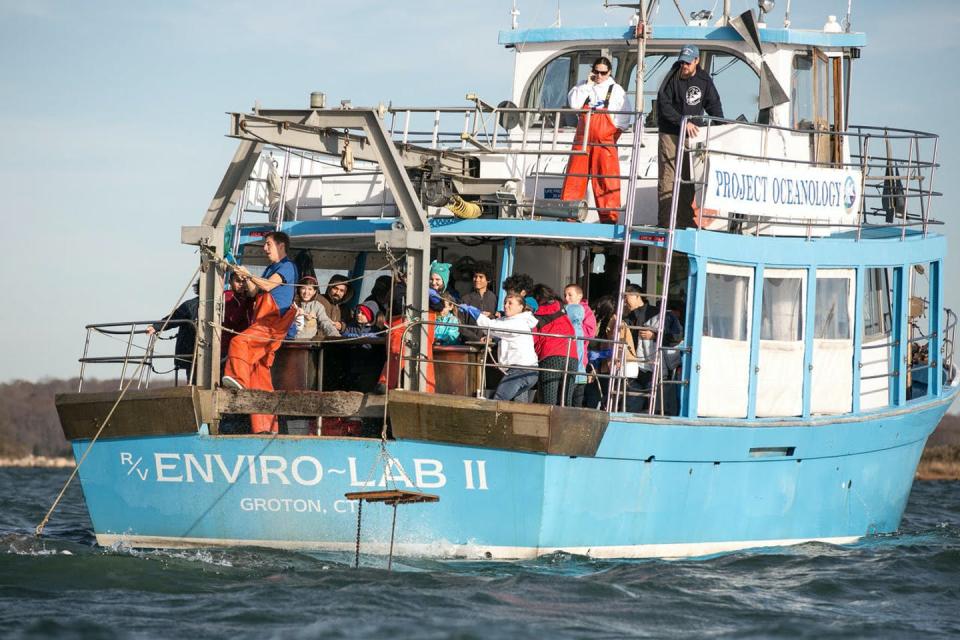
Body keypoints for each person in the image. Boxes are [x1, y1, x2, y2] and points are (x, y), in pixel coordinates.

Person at [221, 231, 299, 434]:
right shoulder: (270, 268)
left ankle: (237, 380)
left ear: (281, 246)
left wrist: (249, 275)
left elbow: (267, 285)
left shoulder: (287, 267)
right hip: (262, 321)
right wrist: (243, 276)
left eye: (268, 244)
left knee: (239, 343)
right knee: (259, 377)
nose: (264, 248)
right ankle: (266, 429)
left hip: (272, 323)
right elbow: (255, 291)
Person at [656, 45, 724, 228]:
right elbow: (664, 105)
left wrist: (724, 129)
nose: (684, 66)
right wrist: (683, 121)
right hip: (670, 133)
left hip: (692, 136)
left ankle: (685, 222)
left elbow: (714, 105)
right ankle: (666, 222)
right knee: (668, 178)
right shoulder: (672, 77)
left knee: (687, 178)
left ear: (696, 61)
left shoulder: (704, 80)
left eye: (687, 62)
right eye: (682, 62)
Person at [560, 56, 633, 224]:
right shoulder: (582, 86)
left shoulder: (616, 90)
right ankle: (569, 214)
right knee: (575, 177)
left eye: (603, 73)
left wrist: (611, 135)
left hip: (605, 141)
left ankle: (609, 218)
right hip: (582, 139)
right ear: (591, 71)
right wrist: (587, 85)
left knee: (606, 180)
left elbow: (624, 118)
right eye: (596, 72)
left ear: (609, 73)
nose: (599, 76)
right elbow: (574, 104)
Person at [462, 293, 539, 402]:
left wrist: (477, 315)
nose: (506, 306)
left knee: (498, 400)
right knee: (514, 402)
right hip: (527, 370)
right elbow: (493, 326)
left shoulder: (518, 322)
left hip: (521, 370)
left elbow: (493, 328)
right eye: (505, 303)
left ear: (520, 307)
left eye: (510, 303)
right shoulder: (511, 320)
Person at [622, 283, 683, 412]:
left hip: (655, 366)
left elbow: (676, 337)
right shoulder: (627, 318)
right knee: (632, 404)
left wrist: (655, 335)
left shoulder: (659, 314)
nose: (624, 302)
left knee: (655, 405)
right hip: (635, 367)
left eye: (626, 297)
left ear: (637, 296)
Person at [531, 284, 579, 406]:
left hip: (550, 357)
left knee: (549, 402)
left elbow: (534, 340)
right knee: (566, 402)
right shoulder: (562, 307)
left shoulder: (534, 316)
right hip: (571, 356)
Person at [145, 282, 199, 384]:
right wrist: (156, 327)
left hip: (220, 357)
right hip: (193, 356)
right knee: (193, 382)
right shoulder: (190, 306)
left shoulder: (225, 304)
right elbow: (173, 318)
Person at [293, 276, 340, 341]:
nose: (306, 292)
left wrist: (336, 336)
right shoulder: (293, 304)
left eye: (310, 289)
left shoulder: (317, 306)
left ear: (314, 291)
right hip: (291, 342)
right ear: (299, 289)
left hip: (308, 344)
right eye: (303, 288)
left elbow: (325, 322)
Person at [459, 262, 498, 342]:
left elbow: (498, 321)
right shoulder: (465, 299)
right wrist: (477, 339)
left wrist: (491, 316)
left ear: (488, 279)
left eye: (481, 277)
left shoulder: (494, 298)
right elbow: (461, 325)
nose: (477, 279)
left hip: (490, 344)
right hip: (469, 344)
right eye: (475, 276)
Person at [222, 271, 254, 357]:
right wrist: (247, 301)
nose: (241, 284)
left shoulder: (248, 296)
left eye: (243, 281)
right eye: (238, 281)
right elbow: (233, 319)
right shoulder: (227, 296)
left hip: (246, 339)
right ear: (230, 282)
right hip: (230, 340)